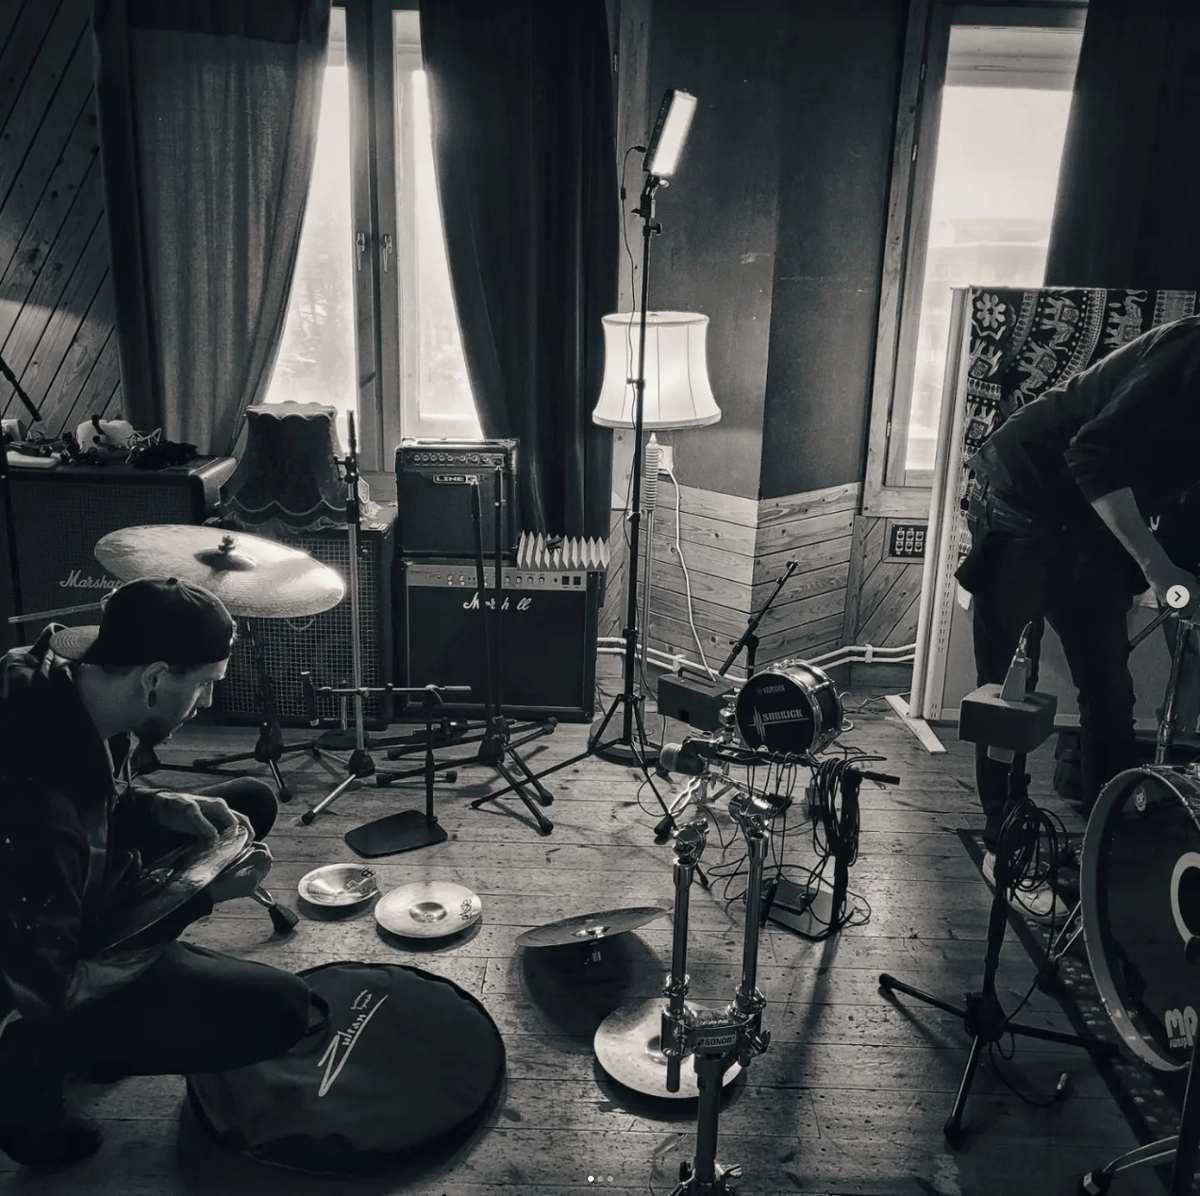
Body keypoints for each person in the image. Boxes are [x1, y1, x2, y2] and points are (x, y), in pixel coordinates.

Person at [0, 576, 312, 1169]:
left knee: (248, 802)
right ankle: (33, 1081)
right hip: (34, 974)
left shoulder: (53, 677)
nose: (207, 703)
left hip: (53, 884)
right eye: (204, 685)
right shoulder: (43, 810)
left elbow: (100, 790)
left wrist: (156, 803)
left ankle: (111, 1019)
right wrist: (202, 898)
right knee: (281, 1011)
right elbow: (55, 986)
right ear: (154, 678)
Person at [955, 313, 1200, 917]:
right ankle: (1006, 838)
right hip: (1023, 498)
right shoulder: (1193, 350)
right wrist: (1156, 566)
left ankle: (1107, 838)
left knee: (1110, 689)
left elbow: (1184, 511)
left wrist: (1179, 580)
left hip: (1091, 522)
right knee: (1009, 692)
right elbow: (1092, 453)